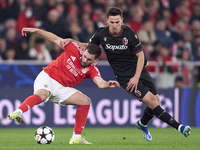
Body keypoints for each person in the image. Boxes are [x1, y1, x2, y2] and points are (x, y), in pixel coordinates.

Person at [61, 7, 191, 141]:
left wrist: (136, 77)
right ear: (107, 21)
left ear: (122, 20)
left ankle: (142, 123)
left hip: (139, 70)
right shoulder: (101, 34)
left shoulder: (130, 34)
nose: (114, 25)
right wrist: (72, 41)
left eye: (117, 22)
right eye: (111, 22)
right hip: (124, 76)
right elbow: (88, 47)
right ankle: (180, 127)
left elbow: (141, 56)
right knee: (153, 102)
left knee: (156, 101)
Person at [8, 27, 120, 144]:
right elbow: (53, 38)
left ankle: (76, 138)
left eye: (89, 59)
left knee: (85, 101)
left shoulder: (92, 69)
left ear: (95, 60)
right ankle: (18, 112)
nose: (85, 60)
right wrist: (36, 31)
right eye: (84, 56)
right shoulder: (73, 48)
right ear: (84, 51)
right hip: (48, 77)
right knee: (43, 94)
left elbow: (100, 83)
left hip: (62, 88)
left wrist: (107, 84)